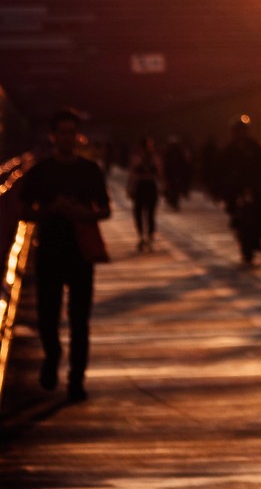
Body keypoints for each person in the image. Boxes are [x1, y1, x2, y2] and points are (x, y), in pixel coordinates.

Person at [18, 108, 112, 403]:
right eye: (62, 132)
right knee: (48, 315)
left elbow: (105, 209)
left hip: (82, 252)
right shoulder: (41, 172)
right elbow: (24, 211)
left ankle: (76, 379)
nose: (67, 138)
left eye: (72, 132)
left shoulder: (90, 171)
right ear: (53, 135)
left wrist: (84, 212)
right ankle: (52, 355)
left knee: (79, 320)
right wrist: (51, 210)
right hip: (49, 252)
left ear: (77, 136)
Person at [216, 114, 261, 264]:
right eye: (237, 130)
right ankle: (235, 219)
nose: (240, 133)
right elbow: (220, 169)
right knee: (230, 202)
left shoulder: (255, 146)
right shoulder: (228, 150)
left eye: (242, 130)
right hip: (236, 185)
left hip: (253, 183)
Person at [127, 135, 161, 251]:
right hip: (142, 186)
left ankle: (149, 237)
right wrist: (130, 188)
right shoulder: (138, 158)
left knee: (149, 213)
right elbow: (132, 174)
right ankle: (142, 237)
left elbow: (160, 173)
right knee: (140, 213)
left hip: (149, 185)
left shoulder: (153, 158)